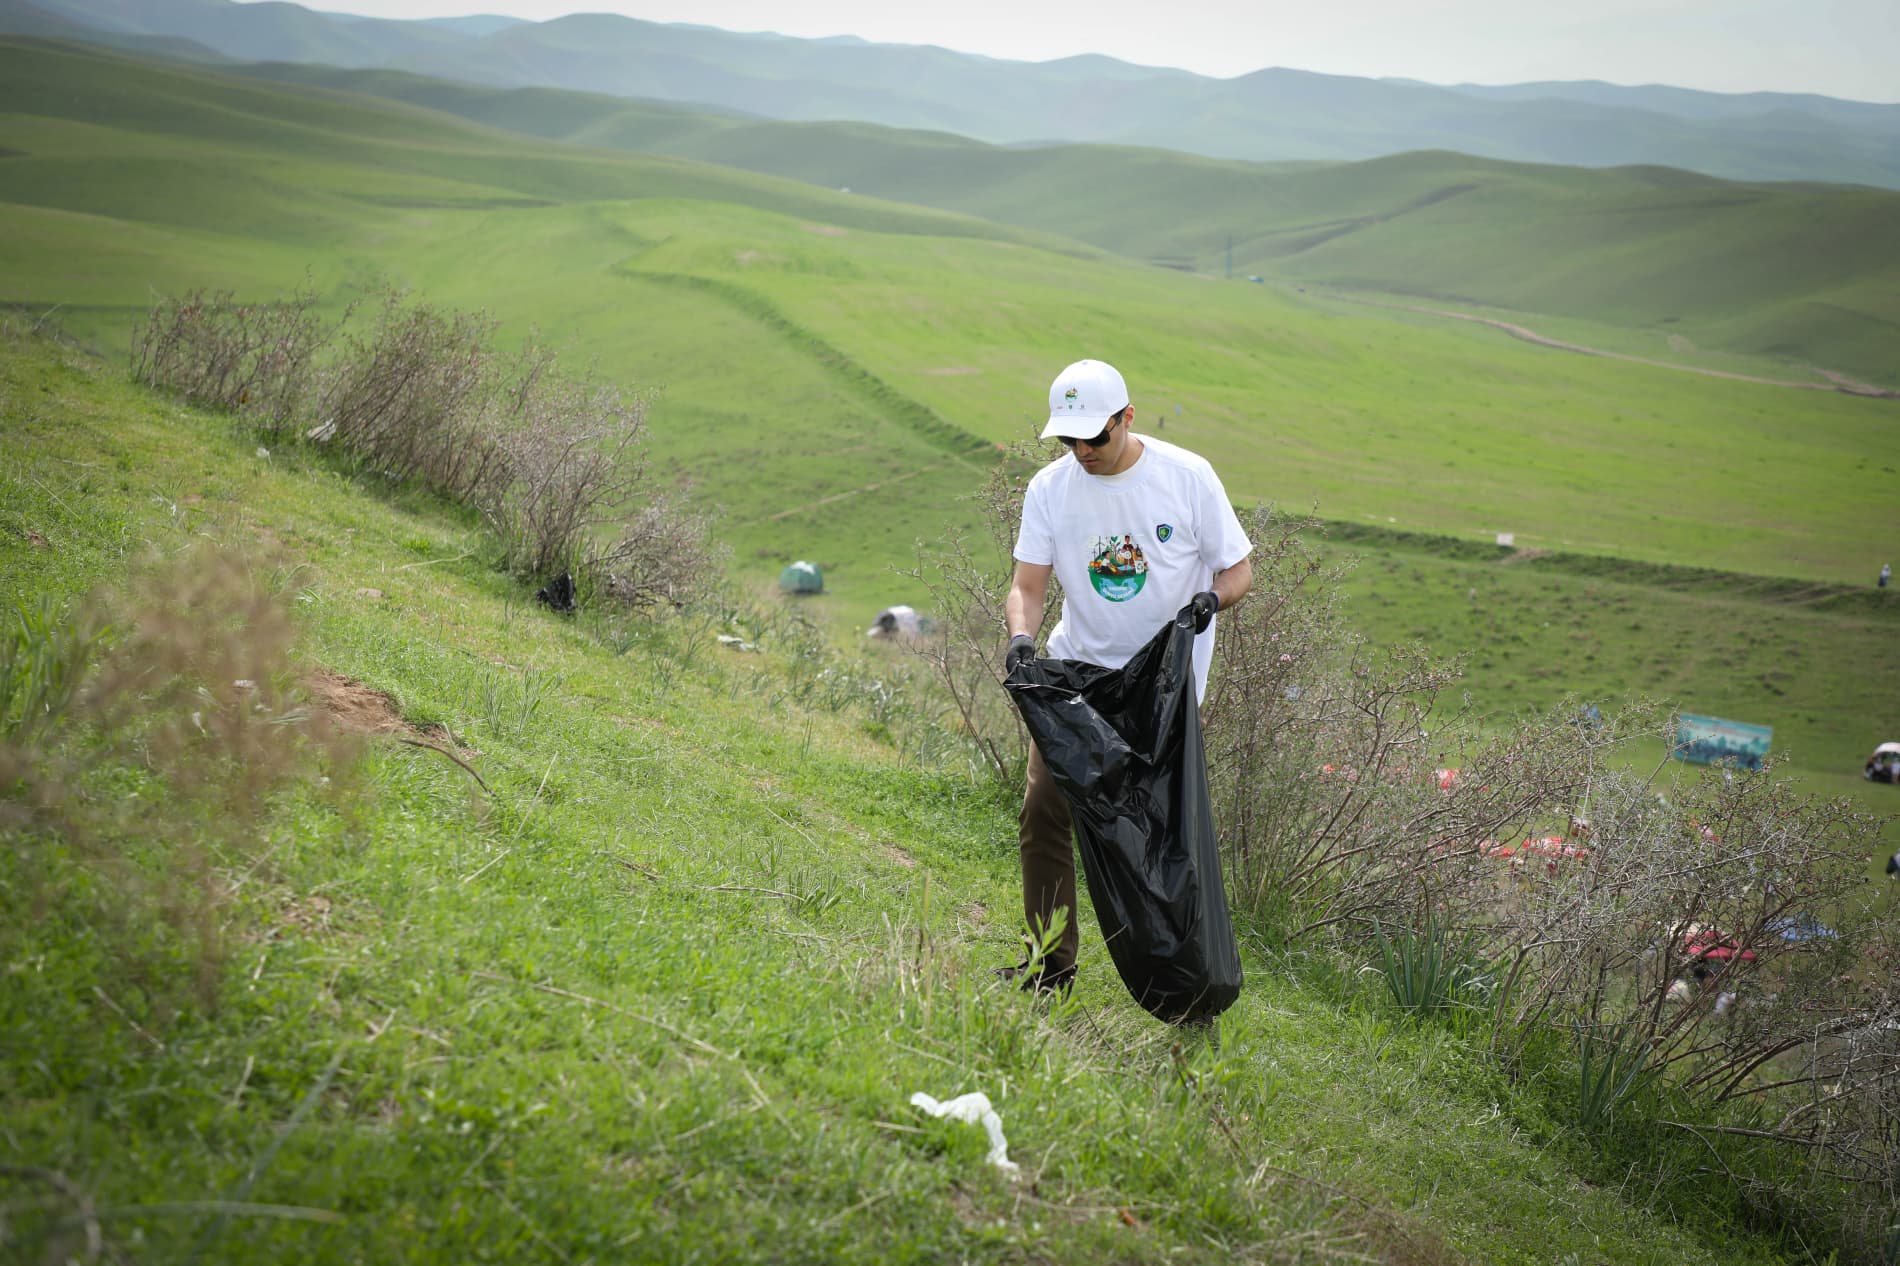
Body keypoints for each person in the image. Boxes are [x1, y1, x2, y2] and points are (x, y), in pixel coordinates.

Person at [998, 358, 1254, 992]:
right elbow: (1026, 587)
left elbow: (1238, 571)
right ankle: (1048, 967)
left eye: (1096, 436)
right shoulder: (1049, 490)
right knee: (1044, 813)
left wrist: (1209, 603)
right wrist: (1022, 641)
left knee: (1164, 839)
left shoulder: (1187, 478)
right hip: (1078, 681)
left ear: (1126, 418)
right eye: (1069, 439)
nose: (1082, 450)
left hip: (1163, 692)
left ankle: (1184, 980)